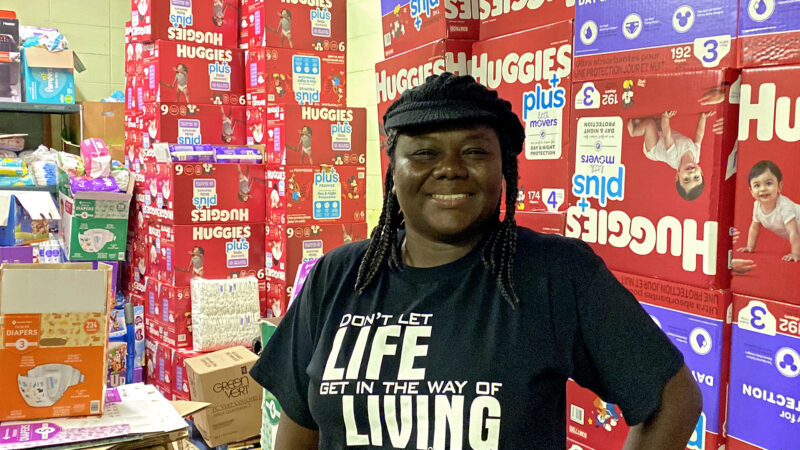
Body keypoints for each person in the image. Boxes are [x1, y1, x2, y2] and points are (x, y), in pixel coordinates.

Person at [250, 73, 702, 449]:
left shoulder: (557, 273)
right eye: (425, 153)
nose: (450, 168)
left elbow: (673, 398)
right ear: (394, 172)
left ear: (503, 170)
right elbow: (300, 419)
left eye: (474, 152)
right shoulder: (339, 274)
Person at [626, 110, 715, 201]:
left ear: (677, 176)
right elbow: (699, 135)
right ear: (701, 172)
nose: (691, 174)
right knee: (658, 122)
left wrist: (666, 118)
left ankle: (634, 131)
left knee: (650, 124)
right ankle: (641, 123)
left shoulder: (674, 157)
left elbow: (667, 135)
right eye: (696, 177)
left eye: (686, 179)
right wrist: (703, 118)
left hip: (654, 147)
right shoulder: (696, 156)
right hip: (661, 135)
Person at [737, 160, 800, 262]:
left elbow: (793, 231)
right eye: (757, 185)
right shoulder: (757, 206)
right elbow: (754, 228)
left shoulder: (784, 206)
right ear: (751, 191)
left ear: (779, 187)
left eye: (769, 183)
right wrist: (750, 247)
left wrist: (796, 253)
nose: (763, 189)